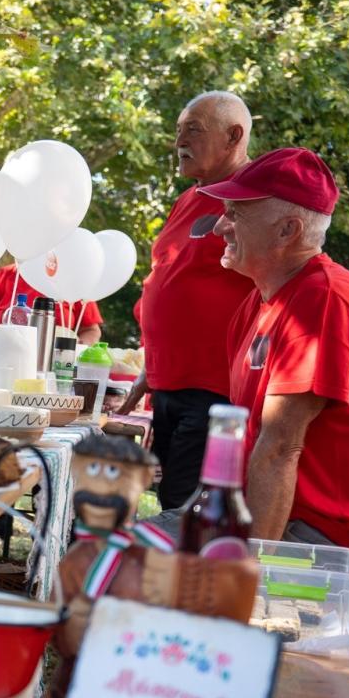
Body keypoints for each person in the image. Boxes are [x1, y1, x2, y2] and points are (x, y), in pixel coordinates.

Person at [198, 148, 349, 592]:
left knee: (142, 575)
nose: (221, 225)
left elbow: (281, 449)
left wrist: (242, 585)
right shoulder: (261, 298)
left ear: (288, 229)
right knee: (124, 558)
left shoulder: (324, 299)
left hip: (331, 544)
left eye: (236, 214)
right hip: (274, 519)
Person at [119, 92, 258, 509]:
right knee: (170, 499)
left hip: (216, 390)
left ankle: (186, 576)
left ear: (234, 136)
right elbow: (171, 282)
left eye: (193, 130)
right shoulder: (190, 198)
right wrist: (152, 367)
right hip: (170, 384)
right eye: (178, 131)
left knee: (187, 507)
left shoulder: (254, 197)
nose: (179, 141)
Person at [0, 261, 103, 344]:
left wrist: (79, 348)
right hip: (3, 357)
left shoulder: (72, 278)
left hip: (56, 365)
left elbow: (91, 330)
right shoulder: (2, 275)